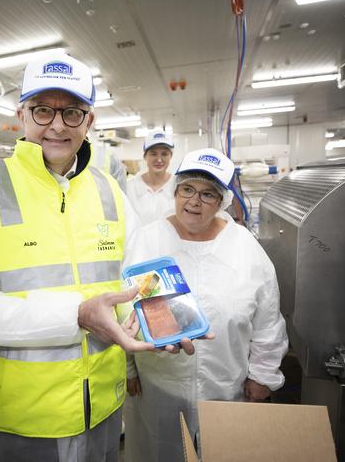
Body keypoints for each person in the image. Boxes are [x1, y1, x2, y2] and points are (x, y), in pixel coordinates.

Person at [0, 52, 199, 462]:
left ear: (89, 121)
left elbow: (137, 281)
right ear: (22, 115)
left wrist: (163, 323)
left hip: (104, 412)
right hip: (21, 418)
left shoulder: (110, 191)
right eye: (43, 110)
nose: (57, 125)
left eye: (72, 112)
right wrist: (74, 315)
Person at [123, 147, 288, 462]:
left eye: (208, 194)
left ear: (222, 200)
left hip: (226, 386)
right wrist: (129, 367)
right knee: (159, 452)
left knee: (222, 452)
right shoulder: (147, 240)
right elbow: (126, 308)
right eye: (187, 189)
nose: (194, 201)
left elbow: (267, 319)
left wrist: (262, 376)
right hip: (159, 386)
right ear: (176, 190)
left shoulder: (244, 247)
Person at [126, 132, 176, 224]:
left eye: (164, 154)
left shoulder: (179, 186)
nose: (159, 159)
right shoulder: (130, 187)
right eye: (153, 154)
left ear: (171, 156)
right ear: (145, 156)